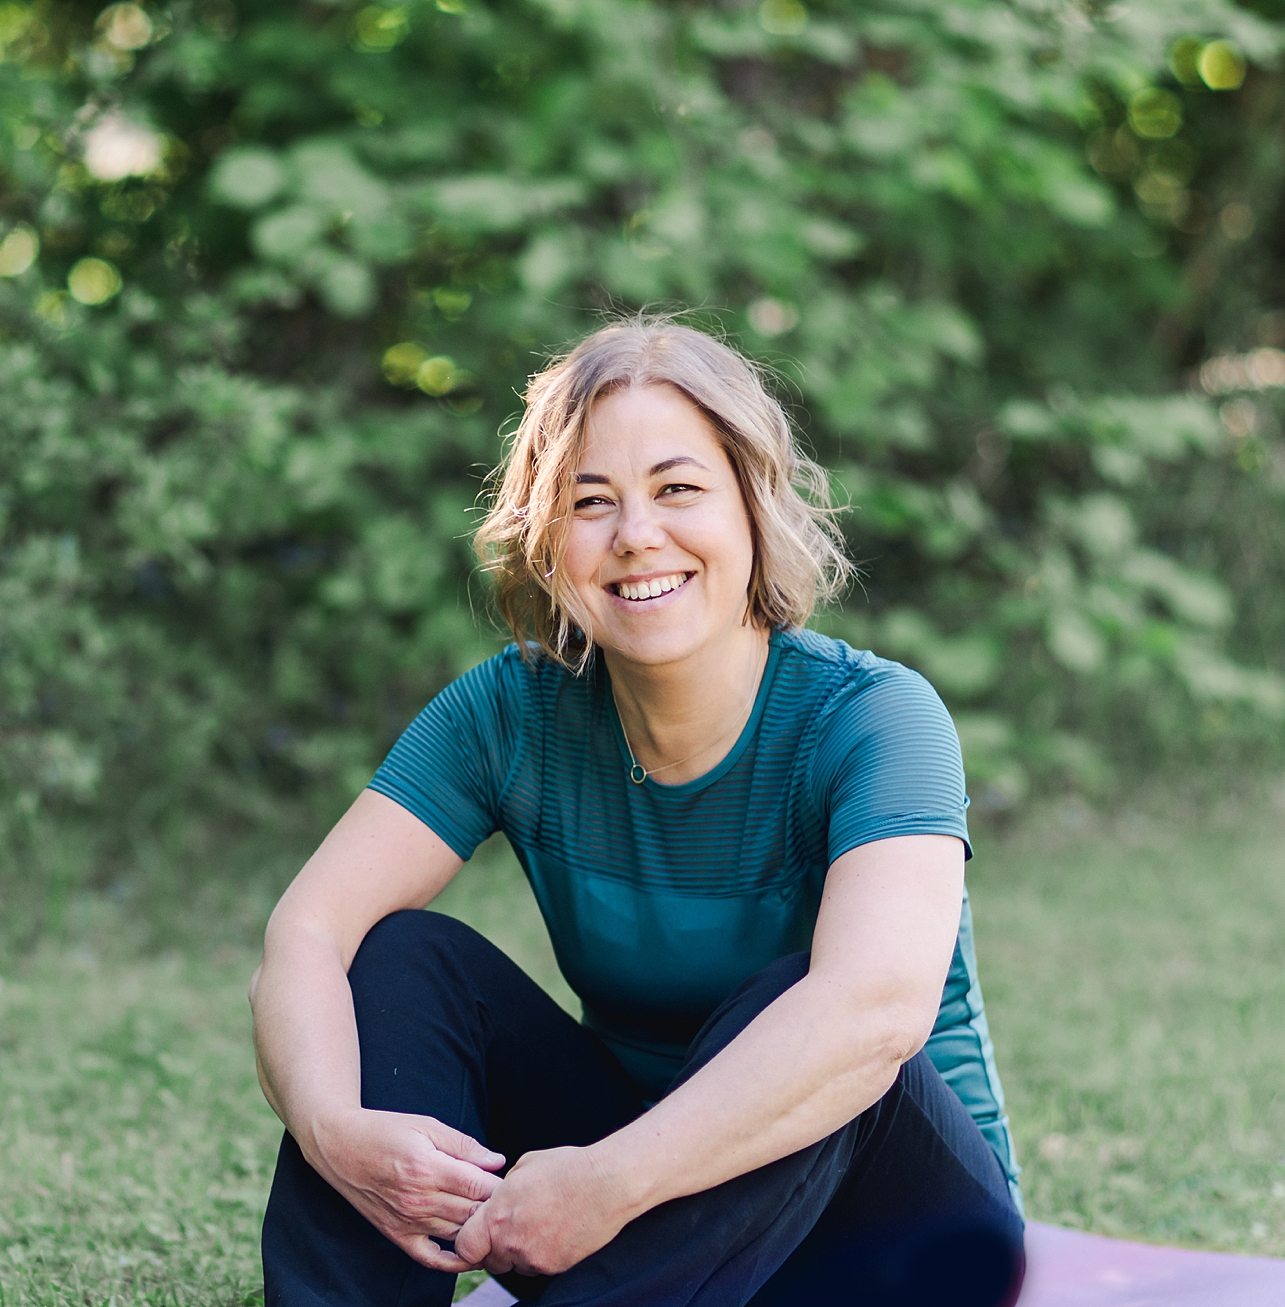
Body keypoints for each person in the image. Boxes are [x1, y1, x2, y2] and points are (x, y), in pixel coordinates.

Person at [248, 318, 1024, 1307]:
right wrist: (332, 1126)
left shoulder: (876, 717)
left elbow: (872, 1014)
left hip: (897, 1236)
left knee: (800, 1003)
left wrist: (609, 1181)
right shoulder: (509, 710)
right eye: (591, 502)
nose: (635, 535)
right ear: (546, 540)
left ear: (753, 505)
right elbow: (306, 932)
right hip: (658, 1227)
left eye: (677, 488)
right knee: (404, 957)